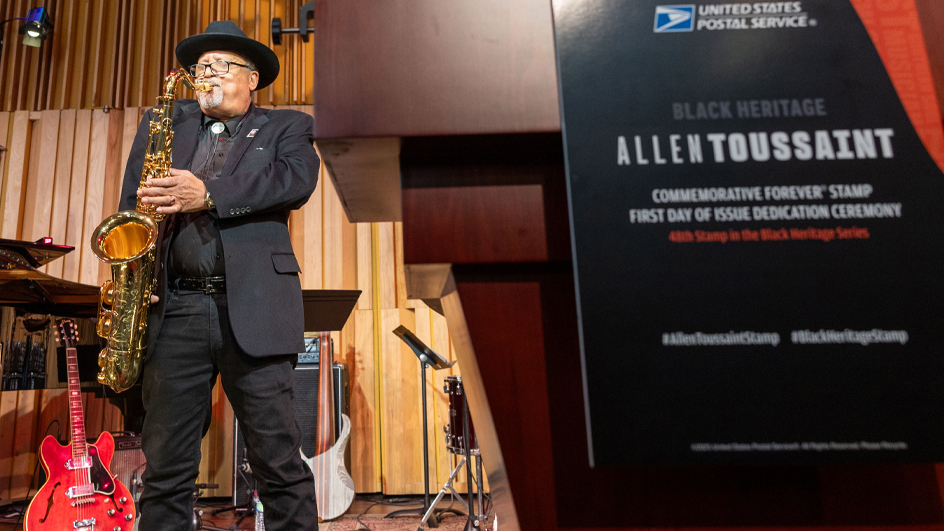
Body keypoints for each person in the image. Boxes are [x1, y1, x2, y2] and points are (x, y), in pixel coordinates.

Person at [118, 20, 319, 530]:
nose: (207, 74)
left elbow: (294, 179)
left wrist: (207, 194)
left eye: (221, 65)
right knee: (164, 470)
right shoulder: (165, 121)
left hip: (252, 308)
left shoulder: (285, 126)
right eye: (200, 66)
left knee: (279, 466)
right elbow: (131, 206)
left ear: (252, 79)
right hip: (173, 312)